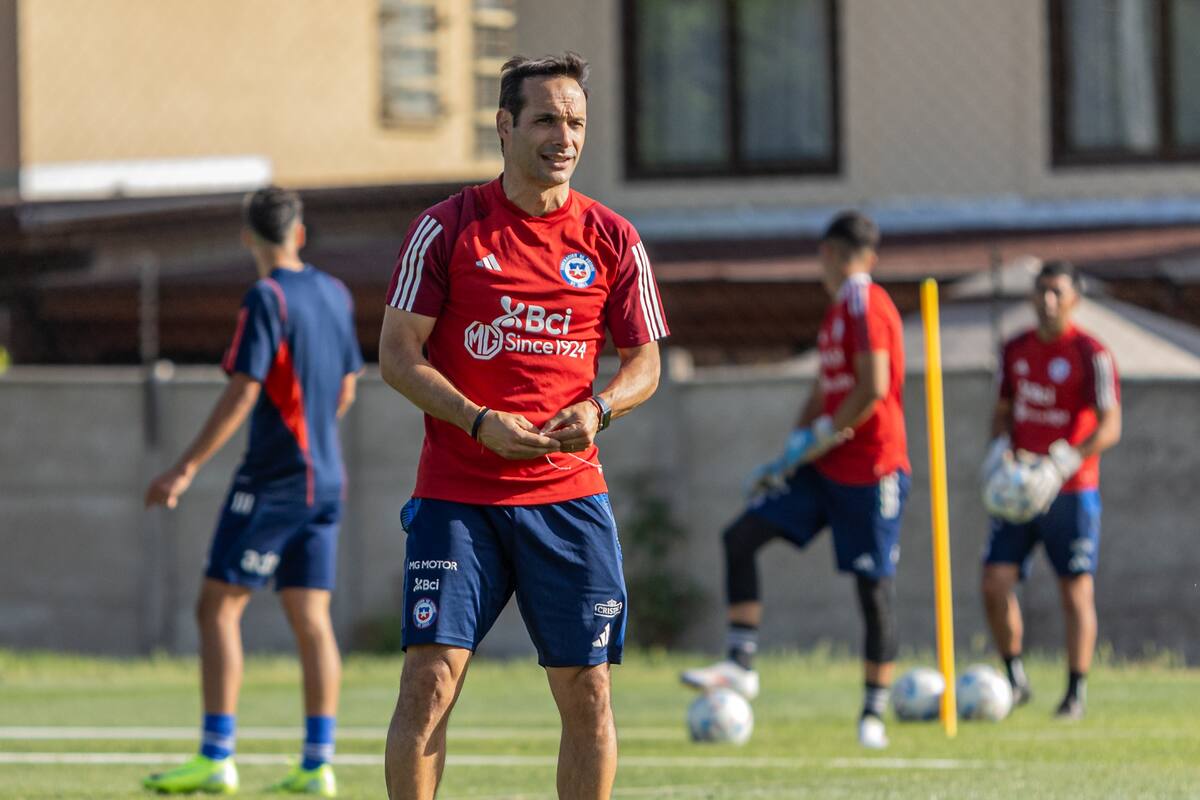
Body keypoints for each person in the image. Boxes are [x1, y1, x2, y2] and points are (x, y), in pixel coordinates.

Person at [378, 52, 667, 800]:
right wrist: (477, 421)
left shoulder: (614, 238)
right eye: (545, 120)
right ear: (504, 126)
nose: (563, 138)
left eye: (575, 122)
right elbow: (397, 356)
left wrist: (599, 408)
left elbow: (645, 364)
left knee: (589, 691)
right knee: (429, 681)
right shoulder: (446, 229)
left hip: (568, 499)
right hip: (458, 499)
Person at [142, 187, 363, 795]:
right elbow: (347, 386)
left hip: (275, 480)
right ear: (300, 234)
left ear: (247, 238)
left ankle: (217, 757)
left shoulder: (267, 297)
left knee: (217, 606)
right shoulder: (335, 292)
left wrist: (183, 468)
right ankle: (317, 766)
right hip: (327, 480)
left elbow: (244, 389)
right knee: (311, 618)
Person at [681, 212, 909, 750]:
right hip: (824, 468)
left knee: (874, 590)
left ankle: (872, 714)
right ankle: (741, 664)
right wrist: (792, 450)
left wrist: (827, 431)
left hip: (872, 469)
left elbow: (873, 385)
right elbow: (827, 386)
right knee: (741, 537)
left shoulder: (864, 301)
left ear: (827, 253)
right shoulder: (837, 313)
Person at [981, 260, 1121, 720]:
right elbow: (1004, 409)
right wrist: (1000, 450)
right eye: (1041, 290)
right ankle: (1015, 679)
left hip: (1070, 490)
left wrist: (1066, 460)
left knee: (1075, 590)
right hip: (1020, 487)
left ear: (1074, 299)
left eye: (1057, 291)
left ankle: (1075, 692)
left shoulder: (1091, 353)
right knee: (994, 582)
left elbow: (1110, 425)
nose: (1048, 300)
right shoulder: (1015, 348)